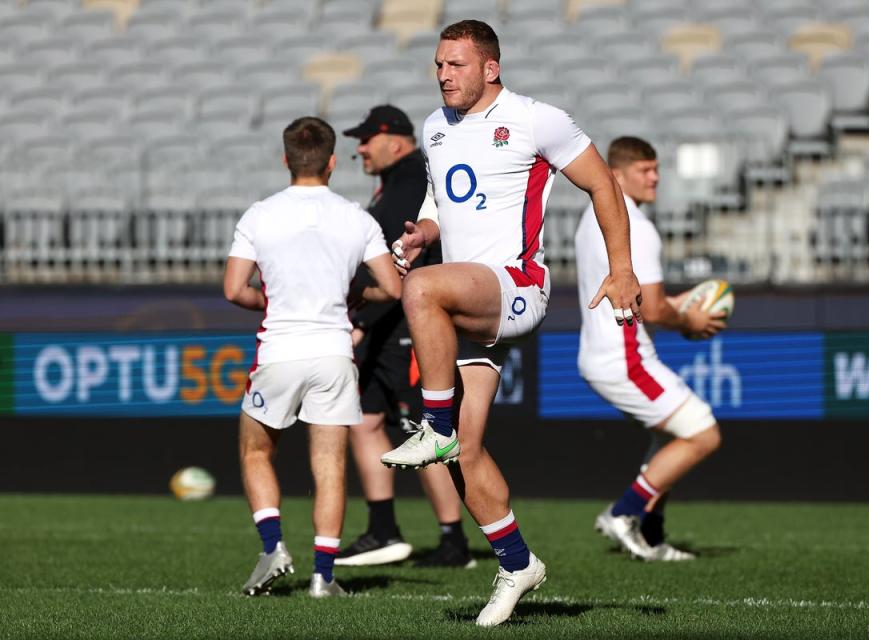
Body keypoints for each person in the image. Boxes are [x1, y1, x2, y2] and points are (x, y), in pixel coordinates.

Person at [383, 20, 644, 626]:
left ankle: (434, 421)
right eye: (438, 65)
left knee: (419, 288)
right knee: (465, 456)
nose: (443, 75)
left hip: (517, 287)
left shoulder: (536, 119)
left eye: (455, 64)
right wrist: (424, 230)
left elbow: (604, 185)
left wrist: (623, 267)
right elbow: (443, 202)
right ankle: (517, 561)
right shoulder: (436, 126)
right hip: (467, 300)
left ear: (490, 69)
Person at [223, 116, 401, 598]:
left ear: (286, 160)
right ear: (332, 162)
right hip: (333, 352)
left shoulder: (260, 214)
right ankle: (324, 577)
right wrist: (358, 295)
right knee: (329, 467)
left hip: (280, 349)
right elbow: (392, 285)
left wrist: (268, 301)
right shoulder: (356, 217)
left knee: (257, 450)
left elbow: (234, 288)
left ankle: (273, 547)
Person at [336, 105, 474, 568]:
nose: (358, 149)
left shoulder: (412, 177)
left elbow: (400, 261)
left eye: (365, 139)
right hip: (385, 322)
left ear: (394, 140)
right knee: (366, 419)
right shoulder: (397, 181)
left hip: (407, 326)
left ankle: (454, 540)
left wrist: (362, 318)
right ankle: (382, 529)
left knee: (425, 430)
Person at [575, 136, 725, 562]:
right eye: (645, 169)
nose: (656, 177)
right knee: (702, 433)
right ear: (617, 175)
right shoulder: (635, 225)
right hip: (625, 357)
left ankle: (652, 537)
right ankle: (623, 514)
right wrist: (689, 318)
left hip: (607, 351)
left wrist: (679, 306)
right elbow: (655, 308)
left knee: (671, 438)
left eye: (657, 168)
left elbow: (643, 299)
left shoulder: (594, 218)